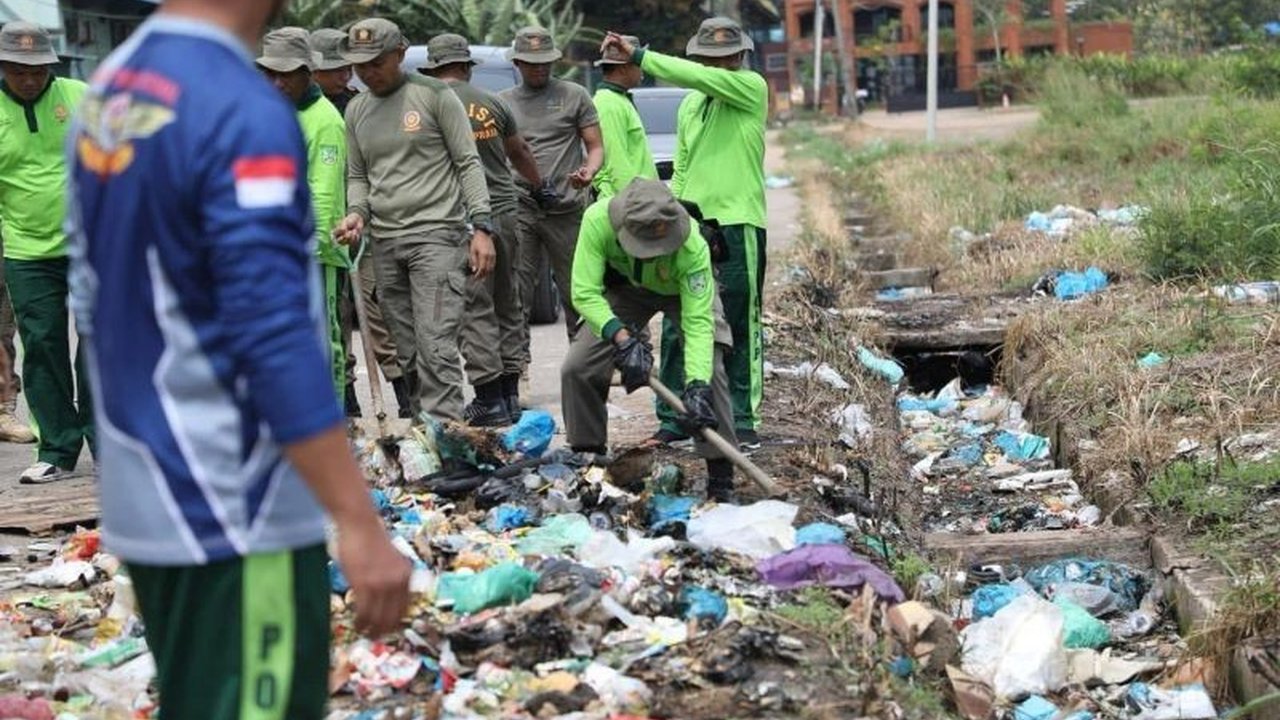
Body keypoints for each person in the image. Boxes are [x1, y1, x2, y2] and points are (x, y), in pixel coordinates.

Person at [66, 0, 411, 717]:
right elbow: (271, 333)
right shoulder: (237, 107)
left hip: (145, 495)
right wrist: (357, 519)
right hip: (234, 507)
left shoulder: (112, 88)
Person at [602, 21, 768, 449]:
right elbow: (682, 166)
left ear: (739, 57)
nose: (718, 65)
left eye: (725, 58)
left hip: (738, 223)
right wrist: (671, 210)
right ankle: (676, 417)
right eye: (710, 59)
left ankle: (743, 419)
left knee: (738, 322)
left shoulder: (750, 87)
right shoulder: (691, 104)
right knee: (680, 324)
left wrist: (640, 57)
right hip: (692, 227)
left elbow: (695, 76)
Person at [333, 19, 500, 425]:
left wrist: (482, 226)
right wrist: (357, 214)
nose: (367, 72)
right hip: (384, 242)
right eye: (359, 65)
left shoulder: (435, 96)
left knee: (435, 345)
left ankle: (448, 437)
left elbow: (467, 163)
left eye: (376, 62)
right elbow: (359, 176)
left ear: (400, 54)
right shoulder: (357, 109)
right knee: (407, 351)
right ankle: (426, 435)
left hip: (437, 238)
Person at [563, 180, 737, 501]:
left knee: (711, 369)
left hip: (681, 294)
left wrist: (696, 385)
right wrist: (622, 338)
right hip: (627, 290)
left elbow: (698, 324)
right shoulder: (597, 221)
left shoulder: (693, 246)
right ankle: (589, 457)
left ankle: (720, 474)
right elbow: (584, 292)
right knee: (579, 366)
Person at [421, 34, 546, 422]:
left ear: (433, 69)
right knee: (508, 301)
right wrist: (539, 186)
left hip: (464, 219)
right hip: (506, 212)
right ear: (466, 67)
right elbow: (520, 152)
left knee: (475, 308)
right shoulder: (494, 103)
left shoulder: (428, 104)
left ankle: (489, 398)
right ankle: (510, 395)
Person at [0, 21, 92, 480]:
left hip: (91, 244)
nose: (30, 80)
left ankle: (108, 442)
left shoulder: (81, 97)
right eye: (19, 71)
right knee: (42, 346)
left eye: (38, 70)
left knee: (101, 344)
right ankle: (56, 449)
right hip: (27, 252)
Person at [498, 27, 604, 373]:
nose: (539, 68)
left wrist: (589, 171)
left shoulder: (574, 95)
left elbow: (595, 146)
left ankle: (584, 364)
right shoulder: (502, 103)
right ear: (517, 63)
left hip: (567, 208)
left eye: (545, 62)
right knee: (517, 291)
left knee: (579, 290)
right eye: (531, 63)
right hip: (521, 206)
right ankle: (517, 367)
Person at [257, 27, 349, 405]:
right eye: (270, 74)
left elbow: (322, 194)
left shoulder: (324, 119)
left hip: (313, 252)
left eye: (286, 74)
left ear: (308, 73)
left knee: (322, 342)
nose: (277, 82)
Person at [591, 35, 656, 199]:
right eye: (638, 64)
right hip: (629, 202)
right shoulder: (608, 104)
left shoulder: (619, 99)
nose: (642, 70)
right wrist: (636, 203)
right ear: (623, 68)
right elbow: (617, 163)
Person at [309, 28, 356, 114]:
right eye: (338, 70)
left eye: (349, 68)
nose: (346, 77)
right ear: (314, 71)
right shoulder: (291, 106)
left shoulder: (356, 103)